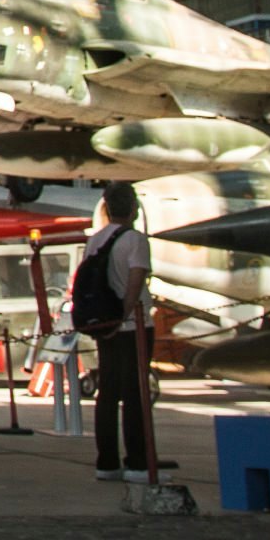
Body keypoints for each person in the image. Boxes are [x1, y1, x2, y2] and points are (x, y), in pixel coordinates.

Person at [85, 182, 152, 480]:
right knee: (135, 393)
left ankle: (107, 461)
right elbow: (136, 279)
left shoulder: (95, 240)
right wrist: (125, 313)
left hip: (104, 323)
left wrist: (109, 321)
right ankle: (138, 462)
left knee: (108, 391)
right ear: (133, 208)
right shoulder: (135, 240)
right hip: (133, 324)